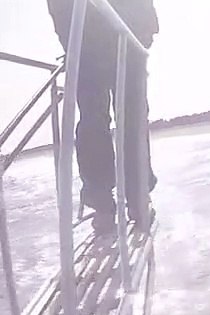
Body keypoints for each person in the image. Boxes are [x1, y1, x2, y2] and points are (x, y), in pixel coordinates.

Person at [46, 0, 158, 233]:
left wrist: (146, 29)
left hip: (125, 37)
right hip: (87, 41)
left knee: (130, 118)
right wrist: (71, 40)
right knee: (94, 122)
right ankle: (104, 203)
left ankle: (135, 198)